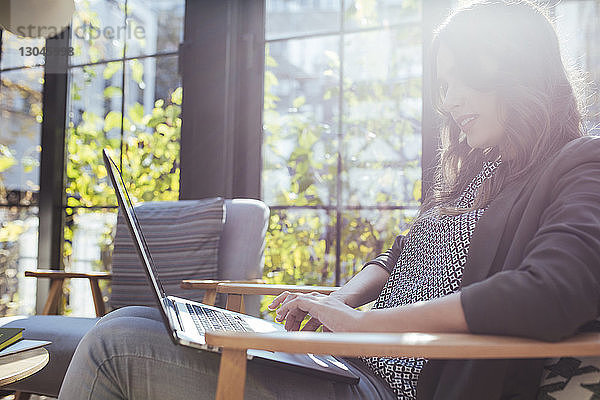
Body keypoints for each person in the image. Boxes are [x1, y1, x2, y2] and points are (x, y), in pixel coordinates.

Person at [58, 0, 600, 399]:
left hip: (391, 387)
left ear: (511, 71)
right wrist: (342, 303)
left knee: (115, 346)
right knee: (134, 321)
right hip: (352, 364)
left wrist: (364, 328)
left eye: (460, 84)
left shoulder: (579, 164)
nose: (448, 103)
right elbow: (401, 258)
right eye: (442, 86)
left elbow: (549, 293)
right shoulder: (485, 171)